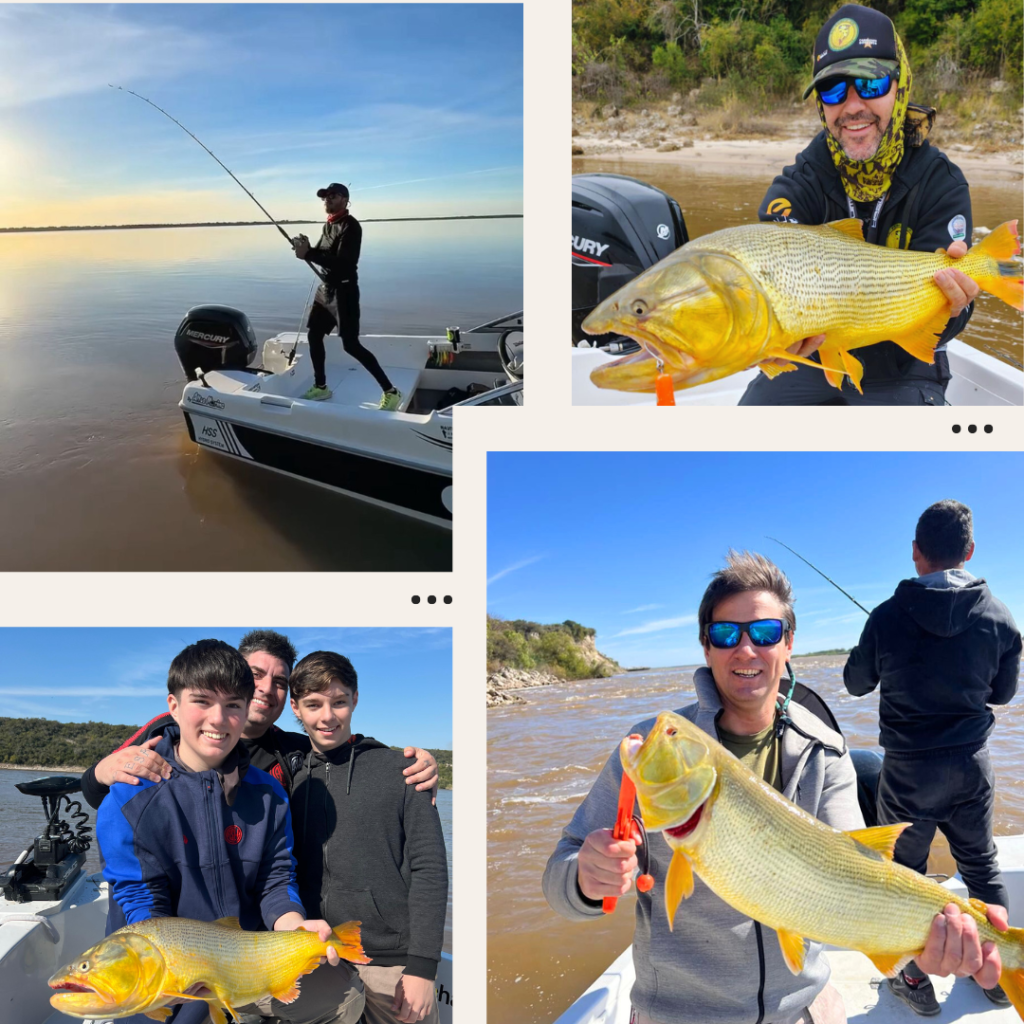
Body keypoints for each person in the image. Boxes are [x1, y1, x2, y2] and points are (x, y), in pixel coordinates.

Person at [543, 551, 1008, 1024]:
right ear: (706, 647)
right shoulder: (657, 749)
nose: (746, 650)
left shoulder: (826, 749)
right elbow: (561, 877)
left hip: (804, 1009)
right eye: (726, 634)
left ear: (788, 644)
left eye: (764, 633)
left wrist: (920, 946)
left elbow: (862, 872)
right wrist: (585, 877)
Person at [95, 639, 365, 1024]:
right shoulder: (128, 796)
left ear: (247, 708)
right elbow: (140, 899)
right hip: (165, 970)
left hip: (246, 956)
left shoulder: (269, 791)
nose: (219, 719)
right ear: (173, 705)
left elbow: (277, 880)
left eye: (233, 706)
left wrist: (295, 925)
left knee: (345, 996)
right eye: (202, 701)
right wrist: (173, 976)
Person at [739, 4, 978, 406]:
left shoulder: (941, 184)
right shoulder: (801, 183)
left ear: (900, 87)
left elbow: (954, 319)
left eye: (870, 84)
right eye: (833, 90)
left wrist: (956, 309)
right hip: (812, 357)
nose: (851, 106)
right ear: (820, 104)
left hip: (905, 362)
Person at [844, 500, 1021, 1013]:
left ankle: (914, 981)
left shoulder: (887, 616)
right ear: (969, 552)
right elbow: (1003, 694)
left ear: (916, 554)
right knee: (982, 867)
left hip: (907, 772)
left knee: (905, 875)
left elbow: (856, 683)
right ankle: (997, 976)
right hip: (971, 767)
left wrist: (876, 649)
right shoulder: (1002, 617)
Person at [80, 628, 438, 808]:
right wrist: (102, 772)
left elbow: (349, 752)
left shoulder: (292, 749)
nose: (267, 689)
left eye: (280, 681)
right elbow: (96, 792)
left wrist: (410, 763)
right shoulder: (167, 730)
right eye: (255, 675)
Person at [286, 650, 449, 1024]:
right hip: (318, 961)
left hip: (391, 965)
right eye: (313, 704)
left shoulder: (404, 771)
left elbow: (431, 870)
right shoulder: (293, 782)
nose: (327, 716)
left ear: (355, 699)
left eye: (339, 702)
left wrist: (423, 968)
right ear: (296, 707)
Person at [291, 184, 402, 410]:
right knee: (314, 336)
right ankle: (321, 387)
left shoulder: (351, 227)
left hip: (344, 291)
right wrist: (304, 249)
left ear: (345, 199)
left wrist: (309, 254)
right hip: (326, 290)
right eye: (324, 197)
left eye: (332, 196)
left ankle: (391, 392)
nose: (327, 200)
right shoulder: (328, 225)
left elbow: (344, 264)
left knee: (350, 345)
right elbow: (323, 254)